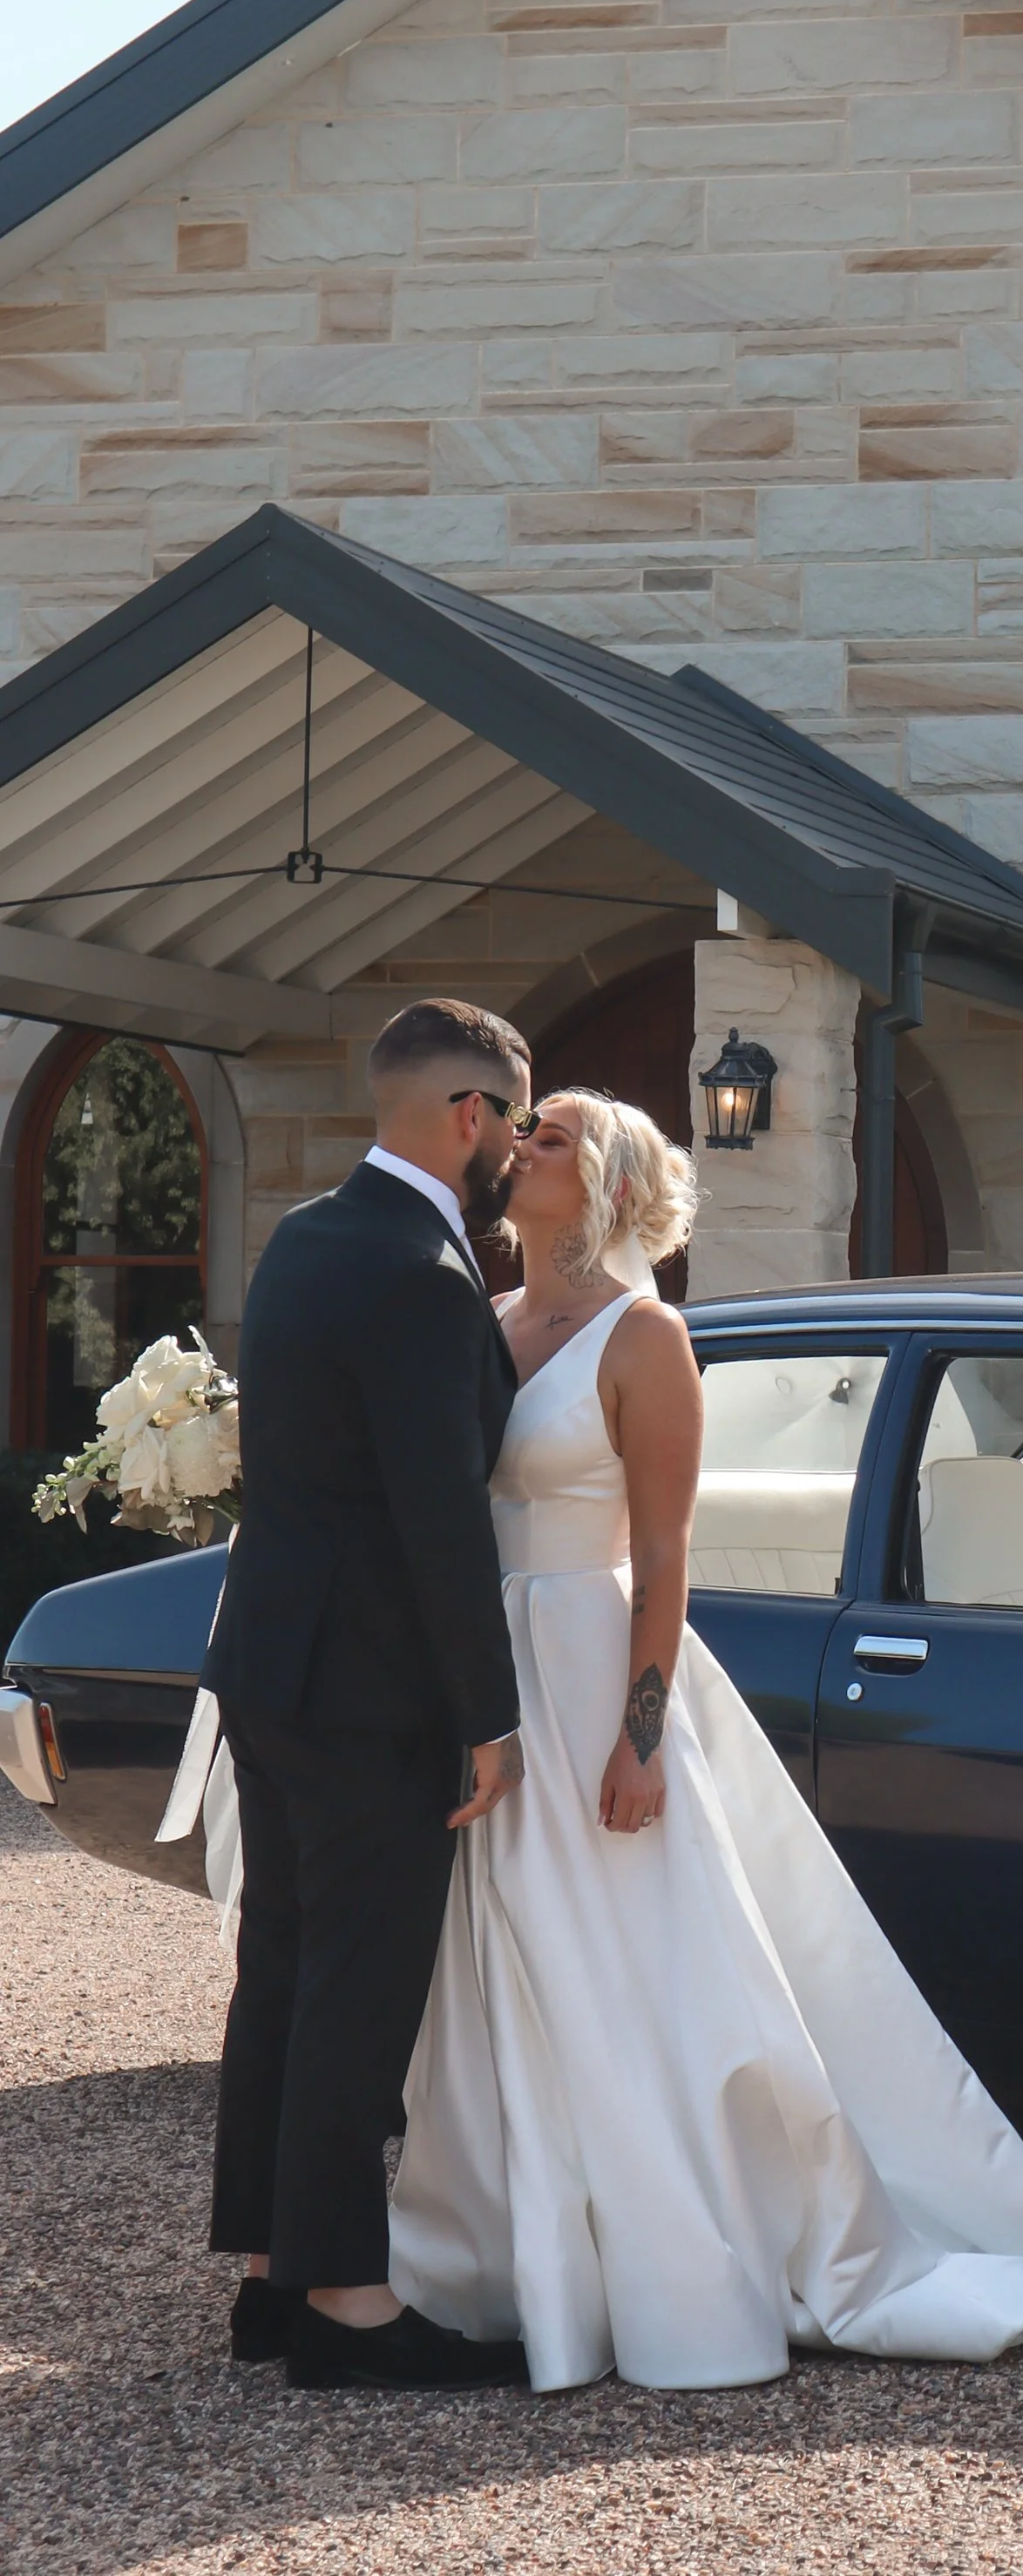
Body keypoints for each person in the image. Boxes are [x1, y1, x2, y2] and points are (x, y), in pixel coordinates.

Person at [387, 1087, 1023, 2390]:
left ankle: (680, 2249)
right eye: (527, 1129)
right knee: (499, 1950)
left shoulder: (645, 1333)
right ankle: (508, 2253)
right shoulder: (486, 1318)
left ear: (605, 1181)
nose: (521, 1144)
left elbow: (665, 1550)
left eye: (549, 1132)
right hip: (488, 1671)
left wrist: (642, 1734)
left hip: (593, 1657)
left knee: (625, 1961)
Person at [207, 999, 536, 2393]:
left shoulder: (303, 1236)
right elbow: (435, 1516)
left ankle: (275, 2275)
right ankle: (345, 2302)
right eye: (515, 1120)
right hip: (367, 1695)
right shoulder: (420, 1269)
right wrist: (491, 1708)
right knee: (358, 1986)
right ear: (472, 1117)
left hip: (269, 1669)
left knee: (280, 1969)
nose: (518, 1145)